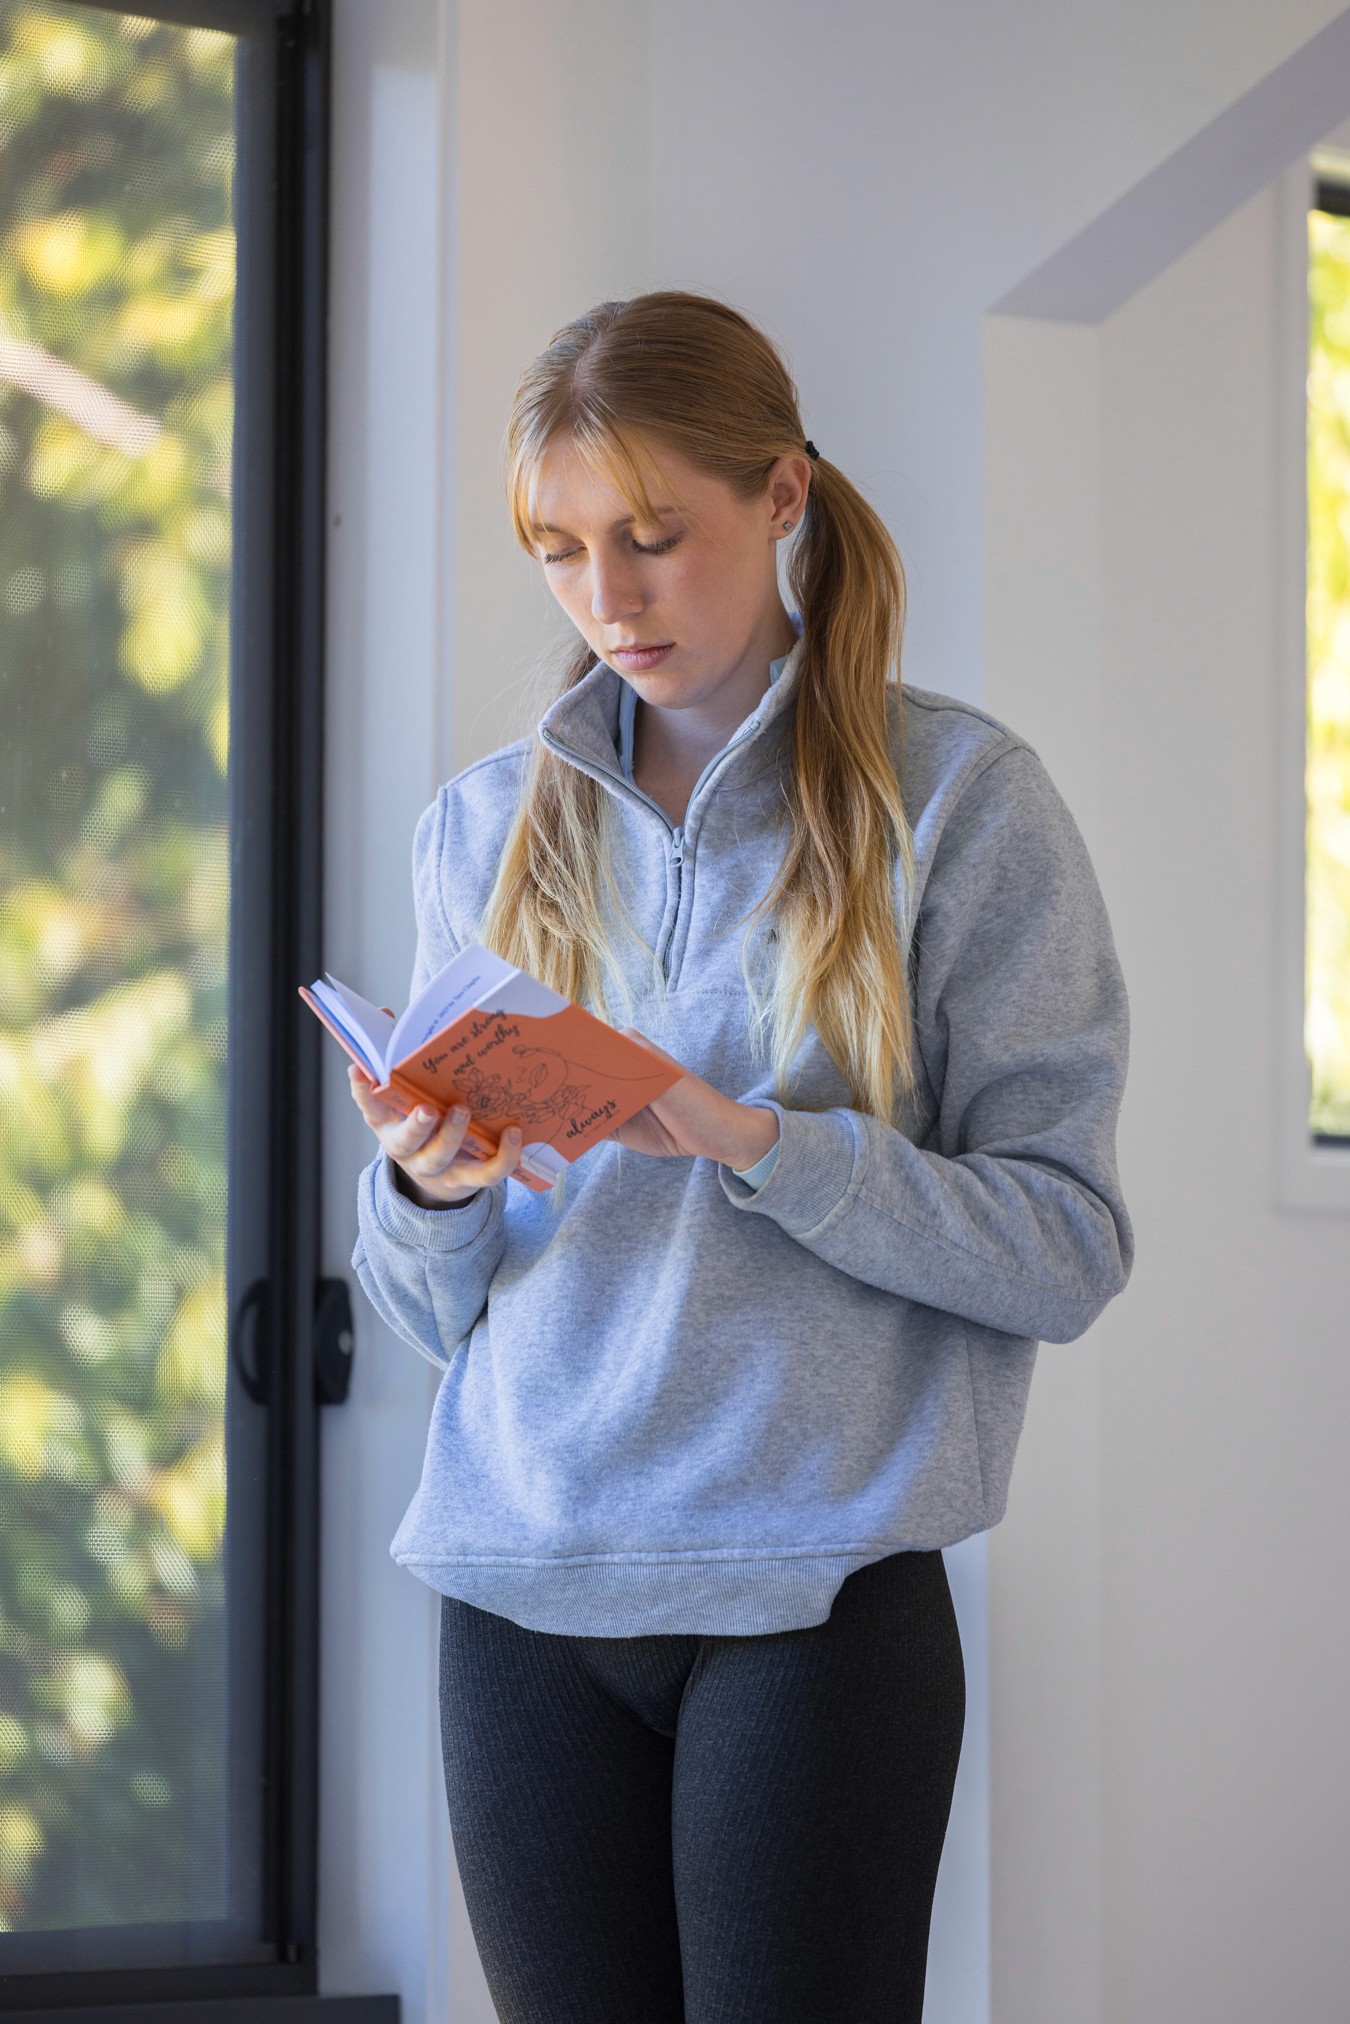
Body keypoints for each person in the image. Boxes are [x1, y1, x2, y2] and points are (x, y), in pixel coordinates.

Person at [347, 290, 1134, 2023]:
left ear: (781, 497)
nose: (605, 601)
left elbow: (1062, 1246)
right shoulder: (481, 827)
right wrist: (423, 1191)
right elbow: (427, 1314)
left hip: (815, 1590)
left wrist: (743, 1136)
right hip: (517, 1581)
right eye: (557, 550)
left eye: (651, 538)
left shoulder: (960, 804)